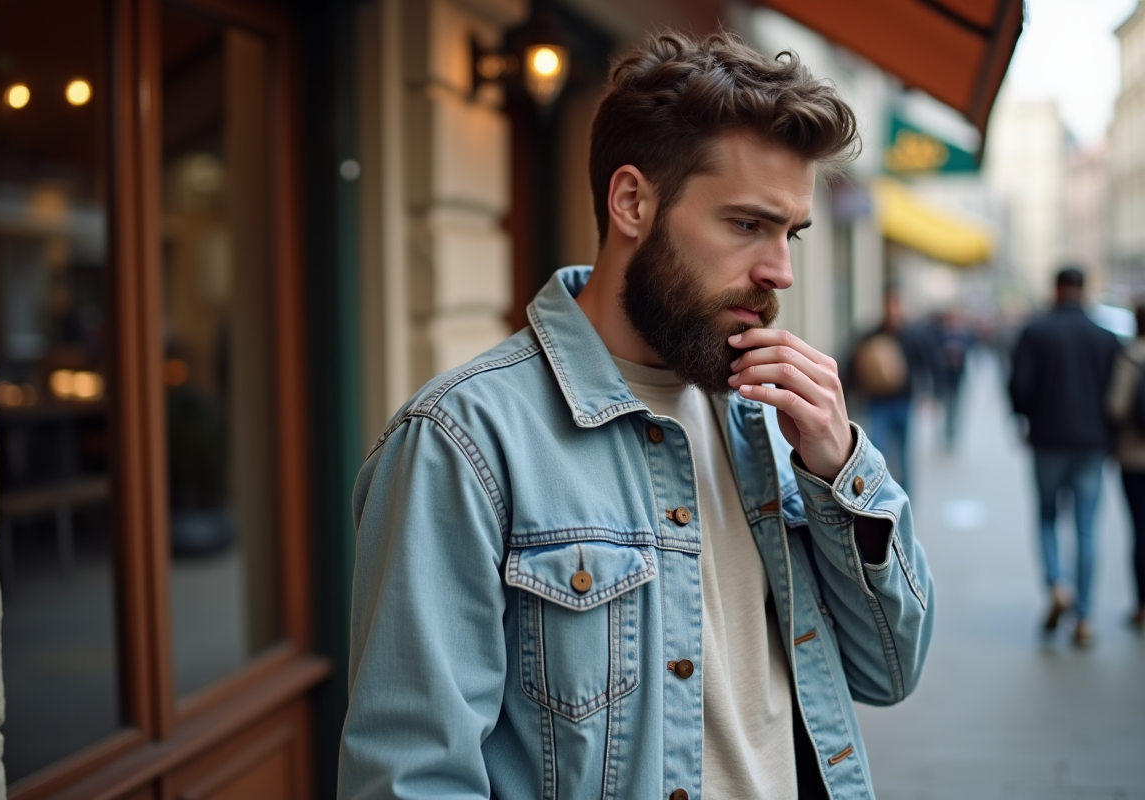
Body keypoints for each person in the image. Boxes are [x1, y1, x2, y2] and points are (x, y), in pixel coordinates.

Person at [340, 31, 934, 800]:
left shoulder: (769, 418)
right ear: (632, 202)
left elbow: (888, 671)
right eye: (748, 224)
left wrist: (840, 467)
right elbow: (411, 781)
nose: (779, 270)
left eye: (791, 232)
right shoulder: (463, 442)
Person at [1009, 266, 1121, 646]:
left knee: (1047, 517)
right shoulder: (1106, 338)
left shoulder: (1036, 331)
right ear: (1084, 290)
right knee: (1087, 526)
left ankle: (1057, 583)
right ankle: (1085, 617)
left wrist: (1025, 418)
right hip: (1092, 444)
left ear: (1056, 289)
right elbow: (1116, 397)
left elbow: (1019, 387)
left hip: (1048, 440)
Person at [850, 289, 936, 497]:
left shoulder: (912, 335)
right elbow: (854, 363)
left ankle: (905, 499)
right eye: (889, 304)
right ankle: (876, 495)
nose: (893, 310)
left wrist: (930, 394)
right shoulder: (872, 335)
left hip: (904, 402)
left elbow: (926, 363)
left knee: (905, 454)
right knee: (877, 450)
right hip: (878, 403)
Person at [1106, 300, 1145, 631]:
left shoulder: (1130, 355)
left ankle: (1142, 605)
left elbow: (1117, 406)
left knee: (1141, 529)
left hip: (1135, 457)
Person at [931, 307, 973, 452]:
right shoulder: (940, 335)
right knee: (943, 406)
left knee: (954, 407)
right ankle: (943, 433)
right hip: (943, 378)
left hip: (957, 378)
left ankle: (951, 434)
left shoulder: (964, 335)